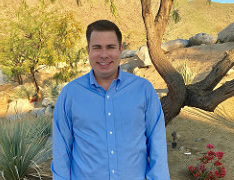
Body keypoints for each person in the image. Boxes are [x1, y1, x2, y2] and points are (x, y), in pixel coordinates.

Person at [51, 19, 170, 180]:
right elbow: (61, 152)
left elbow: (157, 145)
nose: (104, 54)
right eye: (97, 47)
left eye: (110, 47)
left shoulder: (143, 90)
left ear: (120, 49)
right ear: (88, 50)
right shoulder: (70, 95)